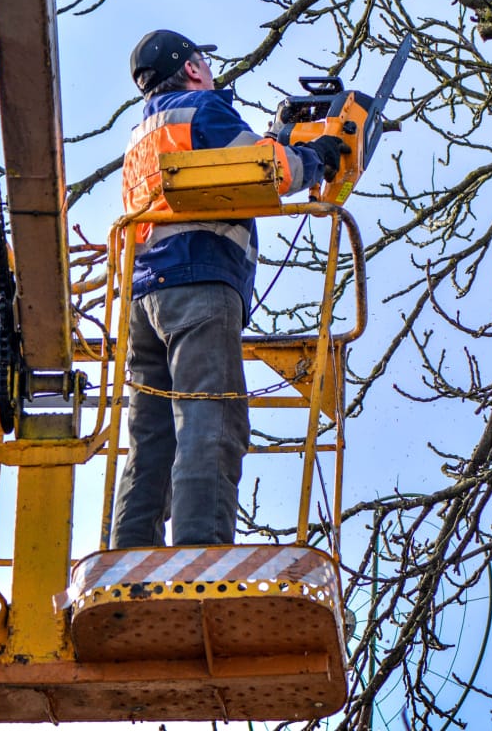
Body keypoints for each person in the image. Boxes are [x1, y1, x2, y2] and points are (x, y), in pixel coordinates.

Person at [111, 29, 347, 548]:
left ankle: (129, 557)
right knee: (210, 418)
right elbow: (269, 170)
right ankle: (200, 556)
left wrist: (277, 140)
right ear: (193, 67)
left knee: (150, 439)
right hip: (198, 282)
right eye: (205, 62)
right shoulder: (201, 110)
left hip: (146, 295)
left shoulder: (143, 134)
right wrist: (320, 156)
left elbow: (233, 169)